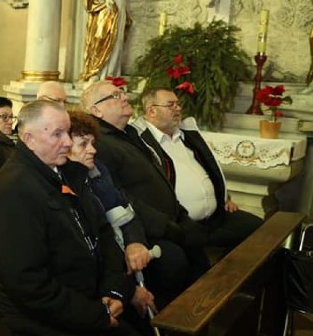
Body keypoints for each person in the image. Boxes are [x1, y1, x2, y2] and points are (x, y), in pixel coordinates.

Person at [0, 100, 155, 336]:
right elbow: (28, 284)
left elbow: (103, 237)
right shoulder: (15, 190)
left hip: (81, 298)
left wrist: (115, 292)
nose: (67, 141)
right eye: (57, 134)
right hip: (36, 313)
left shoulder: (63, 172)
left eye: (68, 133)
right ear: (28, 137)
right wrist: (97, 315)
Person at [81, 80, 208, 306]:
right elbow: (119, 196)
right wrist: (166, 226)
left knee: (202, 261)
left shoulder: (128, 133)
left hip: (170, 221)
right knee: (176, 267)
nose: (125, 98)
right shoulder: (101, 143)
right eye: (114, 96)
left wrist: (178, 213)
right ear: (96, 110)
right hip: (149, 230)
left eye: (122, 93)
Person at [137, 87, 262, 252]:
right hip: (182, 226)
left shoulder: (187, 135)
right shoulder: (140, 141)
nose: (178, 108)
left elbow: (211, 170)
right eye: (170, 105)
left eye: (178, 104)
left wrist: (223, 197)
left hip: (216, 217)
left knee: (261, 231)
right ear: (151, 111)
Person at [67, 110, 158, 317]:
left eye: (92, 143)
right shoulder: (64, 186)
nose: (92, 150)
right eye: (83, 144)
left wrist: (135, 243)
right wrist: (128, 290)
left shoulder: (98, 170)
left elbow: (126, 209)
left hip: (119, 255)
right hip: (98, 276)